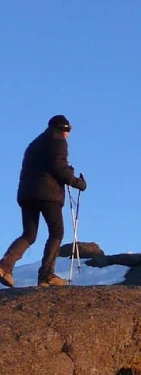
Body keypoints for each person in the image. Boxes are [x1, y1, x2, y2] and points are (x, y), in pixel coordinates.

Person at [0, 115, 87, 287]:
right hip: (48, 193)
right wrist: (77, 182)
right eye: (68, 130)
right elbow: (58, 167)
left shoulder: (34, 143)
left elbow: (44, 165)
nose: (68, 134)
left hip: (26, 193)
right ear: (64, 129)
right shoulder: (58, 141)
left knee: (29, 234)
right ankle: (46, 275)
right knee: (56, 232)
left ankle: (5, 266)